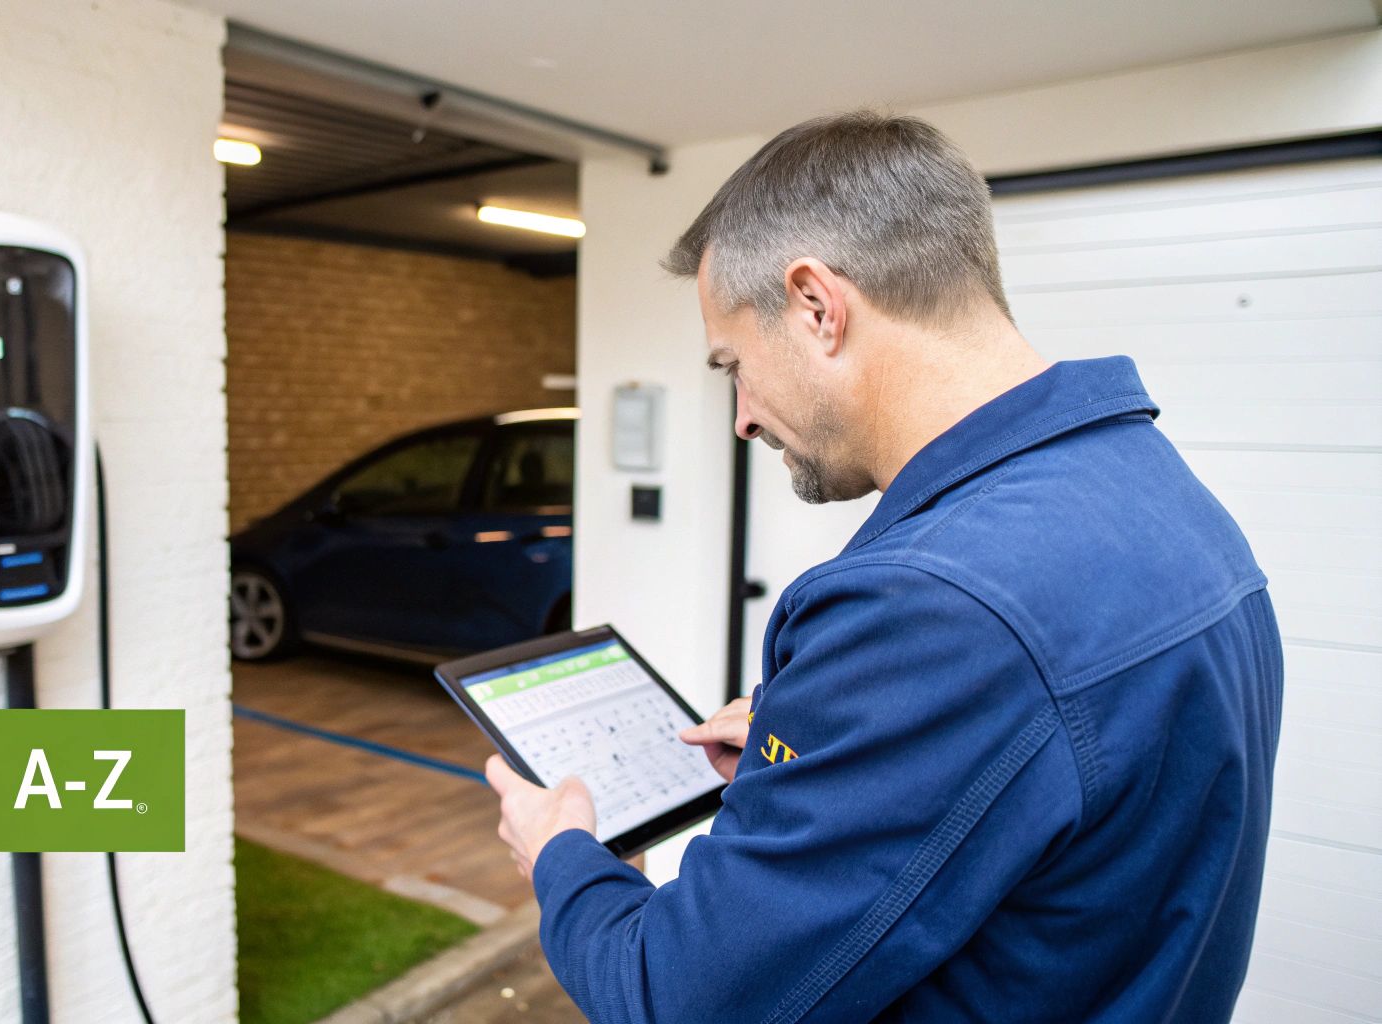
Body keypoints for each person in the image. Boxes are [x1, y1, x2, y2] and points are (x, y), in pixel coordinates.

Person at [483, 111, 1282, 1023]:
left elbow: (676, 998)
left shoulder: (934, 604)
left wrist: (564, 856)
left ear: (818, 306)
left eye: (733, 364)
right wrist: (834, 757)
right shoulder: (1161, 497)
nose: (741, 416)